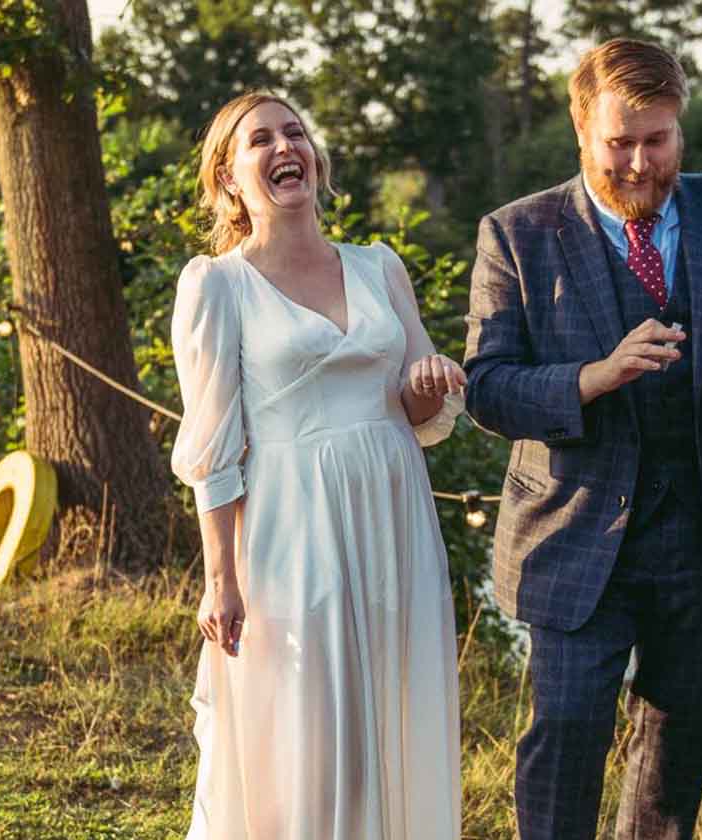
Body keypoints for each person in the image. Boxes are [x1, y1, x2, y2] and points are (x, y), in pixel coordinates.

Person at [463, 39, 702, 840]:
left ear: (680, 130)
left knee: (676, 763)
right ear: (580, 131)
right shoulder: (517, 234)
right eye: (618, 143)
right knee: (563, 739)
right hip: (572, 540)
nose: (637, 163)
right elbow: (488, 390)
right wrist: (591, 378)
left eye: (657, 140)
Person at [168, 90, 465, 840]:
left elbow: (419, 411)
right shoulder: (218, 284)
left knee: (392, 710)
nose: (281, 147)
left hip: (393, 515)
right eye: (258, 140)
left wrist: (427, 387)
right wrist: (221, 581)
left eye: (292, 132)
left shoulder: (378, 267)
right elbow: (213, 446)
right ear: (230, 178)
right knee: (306, 727)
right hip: (291, 527)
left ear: (315, 158)